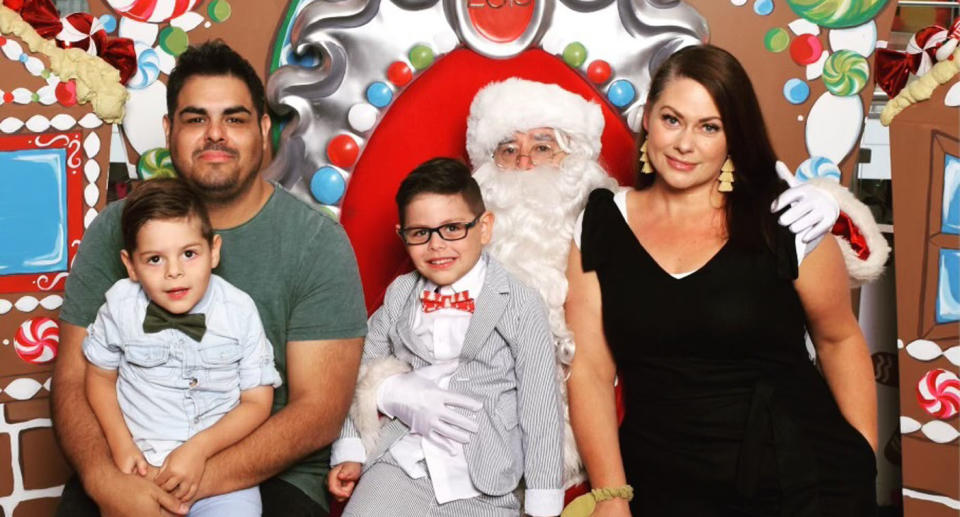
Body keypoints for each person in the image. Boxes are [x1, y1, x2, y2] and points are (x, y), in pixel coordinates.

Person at [351, 77, 847, 489]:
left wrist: (833, 208)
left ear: (578, 162)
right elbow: (380, 343)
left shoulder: (611, 222)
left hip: (629, 451)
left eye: (544, 146)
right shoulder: (451, 249)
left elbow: (789, 279)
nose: (525, 163)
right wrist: (392, 392)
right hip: (447, 457)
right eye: (508, 150)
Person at [52, 40, 367, 517]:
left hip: (268, 472)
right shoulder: (116, 227)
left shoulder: (316, 243)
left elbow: (317, 413)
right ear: (169, 130)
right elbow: (76, 378)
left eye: (235, 119)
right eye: (196, 119)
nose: (215, 134)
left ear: (264, 129)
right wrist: (105, 480)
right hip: (131, 462)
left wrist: (185, 484)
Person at [565, 45, 877, 516]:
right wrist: (611, 495)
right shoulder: (601, 222)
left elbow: (838, 339)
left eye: (709, 127)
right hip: (662, 483)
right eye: (672, 119)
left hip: (803, 480)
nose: (684, 144)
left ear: (734, 137)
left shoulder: (787, 218)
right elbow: (590, 371)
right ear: (647, 119)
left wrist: (863, 458)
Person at [328, 158, 565, 516]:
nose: (436, 245)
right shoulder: (400, 294)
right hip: (402, 464)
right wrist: (349, 449)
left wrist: (544, 500)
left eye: (452, 228)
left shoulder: (520, 303)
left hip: (483, 483)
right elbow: (360, 367)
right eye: (420, 232)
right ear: (402, 235)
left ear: (484, 228)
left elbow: (540, 406)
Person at [84, 178, 281, 516]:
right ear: (130, 265)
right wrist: (120, 445)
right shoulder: (119, 307)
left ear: (213, 251)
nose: (174, 272)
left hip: (220, 473)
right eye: (155, 259)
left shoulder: (239, 310)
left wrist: (199, 450)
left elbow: (257, 400)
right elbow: (100, 377)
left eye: (189, 254)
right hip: (142, 471)